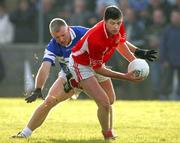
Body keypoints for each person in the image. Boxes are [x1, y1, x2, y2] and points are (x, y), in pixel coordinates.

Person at [12, 15, 157, 139]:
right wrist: (38, 88)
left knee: (109, 101)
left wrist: (136, 52)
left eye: (63, 35)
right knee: (49, 101)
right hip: (70, 75)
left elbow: (116, 40)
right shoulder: (53, 46)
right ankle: (24, 134)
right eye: (57, 37)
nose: (61, 39)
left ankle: (109, 133)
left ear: (68, 28)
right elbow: (45, 66)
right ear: (52, 36)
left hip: (95, 68)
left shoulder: (83, 33)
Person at [68, 5, 157, 140]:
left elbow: (120, 43)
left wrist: (136, 57)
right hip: (80, 65)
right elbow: (98, 68)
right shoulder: (96, 39)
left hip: (97, 62)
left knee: (110, 100)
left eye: (118, 23)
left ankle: (79, 84)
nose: (116, 27)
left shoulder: (118, 27)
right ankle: (107, 133)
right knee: (104, 103)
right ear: (104, 21)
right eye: (112, 23)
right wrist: (126, 77)